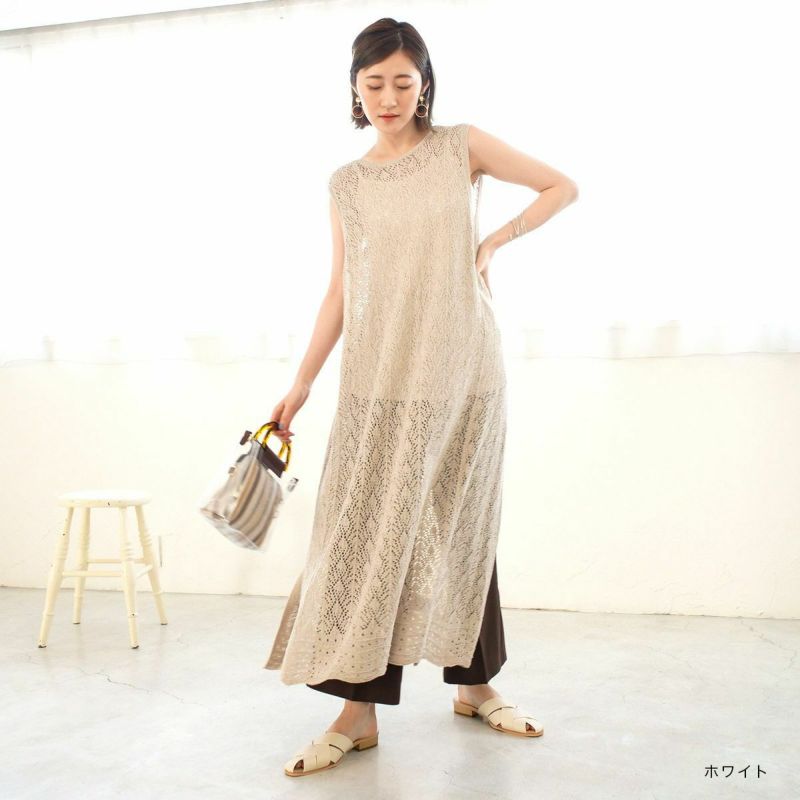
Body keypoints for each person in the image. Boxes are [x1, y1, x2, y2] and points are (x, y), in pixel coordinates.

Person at [263, 17, 579, 777]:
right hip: (382, 376)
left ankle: (476, 686)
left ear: (425, 85)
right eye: (374, 83)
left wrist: (493, 241)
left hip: (465, 368)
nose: (388, 97)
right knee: (374, 531)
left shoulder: (460, 147)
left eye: (403, 82)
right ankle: (357, 714)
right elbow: (341, 289)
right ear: (354, 88)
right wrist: (301, 383)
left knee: (461, 522)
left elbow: (560, 186)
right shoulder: (348, 183)